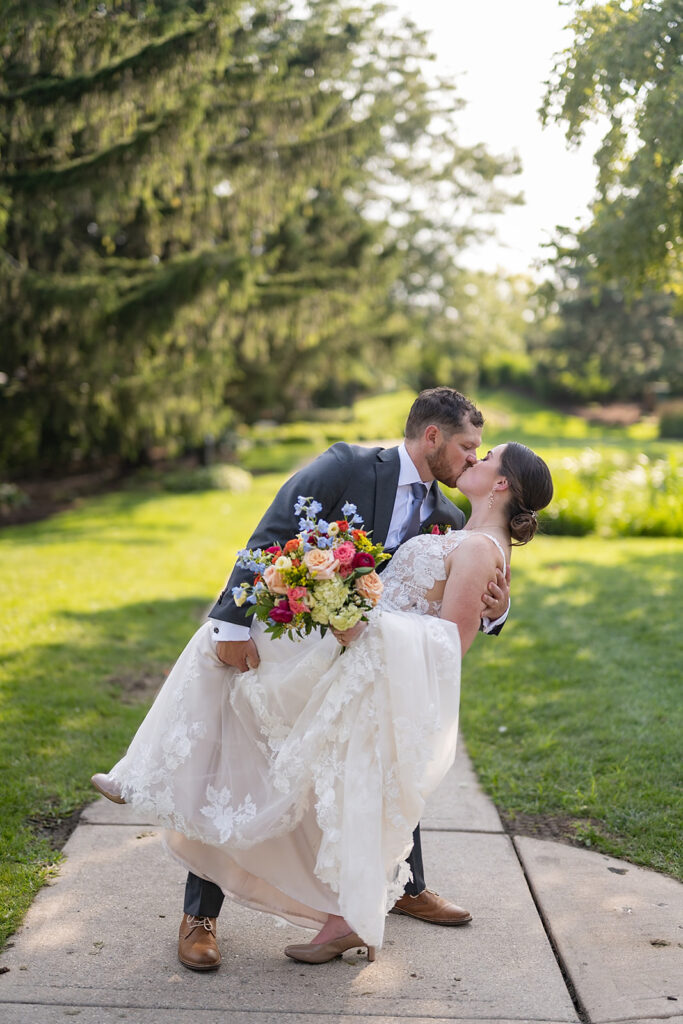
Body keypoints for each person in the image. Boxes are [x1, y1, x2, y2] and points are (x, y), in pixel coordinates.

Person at [92, 392, 552, 968]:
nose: (471, 459)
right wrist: (230, 623)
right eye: (466, 447)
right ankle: (199, 913)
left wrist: (499, 609)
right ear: (432, 437)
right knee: (231, 750)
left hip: (360, 657)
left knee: (370, 768)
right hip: (291, 640)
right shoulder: (349, 466)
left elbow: (454, 599)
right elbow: (273, 531)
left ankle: (403, 889)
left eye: (481, 454)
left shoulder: (451, 519)